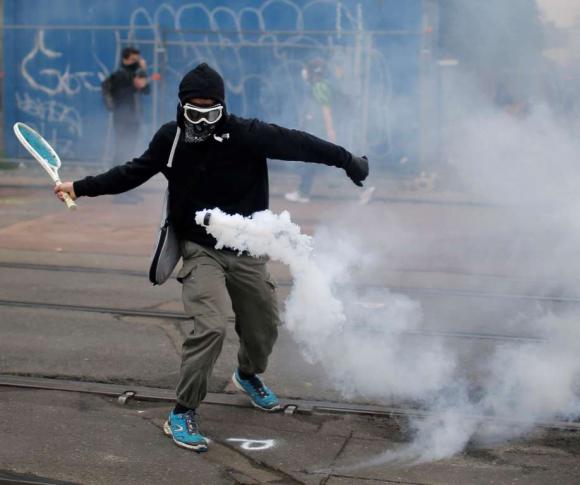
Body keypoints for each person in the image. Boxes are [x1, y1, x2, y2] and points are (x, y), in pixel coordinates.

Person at [55, 63, 369, 452]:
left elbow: (300, 143)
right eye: (194, 111)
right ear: (181, 107)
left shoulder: (247, 134)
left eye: (210, 111)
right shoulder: (170, 140)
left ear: (223, 107)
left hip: (247, 248)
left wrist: (347, 159)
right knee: (211, 326)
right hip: (200, 249)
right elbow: (131, 172)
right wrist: (79, 187)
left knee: (264, 324)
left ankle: (248, 375)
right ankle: (182, 412)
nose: (202, 120)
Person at [285, 57, 375, 205]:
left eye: (307, 70)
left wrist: (331, 132)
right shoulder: (325, 84)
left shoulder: (319, 87)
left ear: (312, 73)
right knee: (316, 162)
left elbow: (326, 111)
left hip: (324, 132)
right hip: (324, 132)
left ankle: (365, 187)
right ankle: (303, 192)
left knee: (339, 162)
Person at [101, 46, 150, 203]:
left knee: (128, 154)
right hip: (123, 120)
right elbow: (120, 95)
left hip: (132, 120)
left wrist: (143, 72)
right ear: (125, 59)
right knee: (121, 154)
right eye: (134, 59)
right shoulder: (120, 75)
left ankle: (126, 190)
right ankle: (118, 192)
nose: (137, 62)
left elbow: (146, 90)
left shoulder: (134, 74)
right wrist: (134, 85)